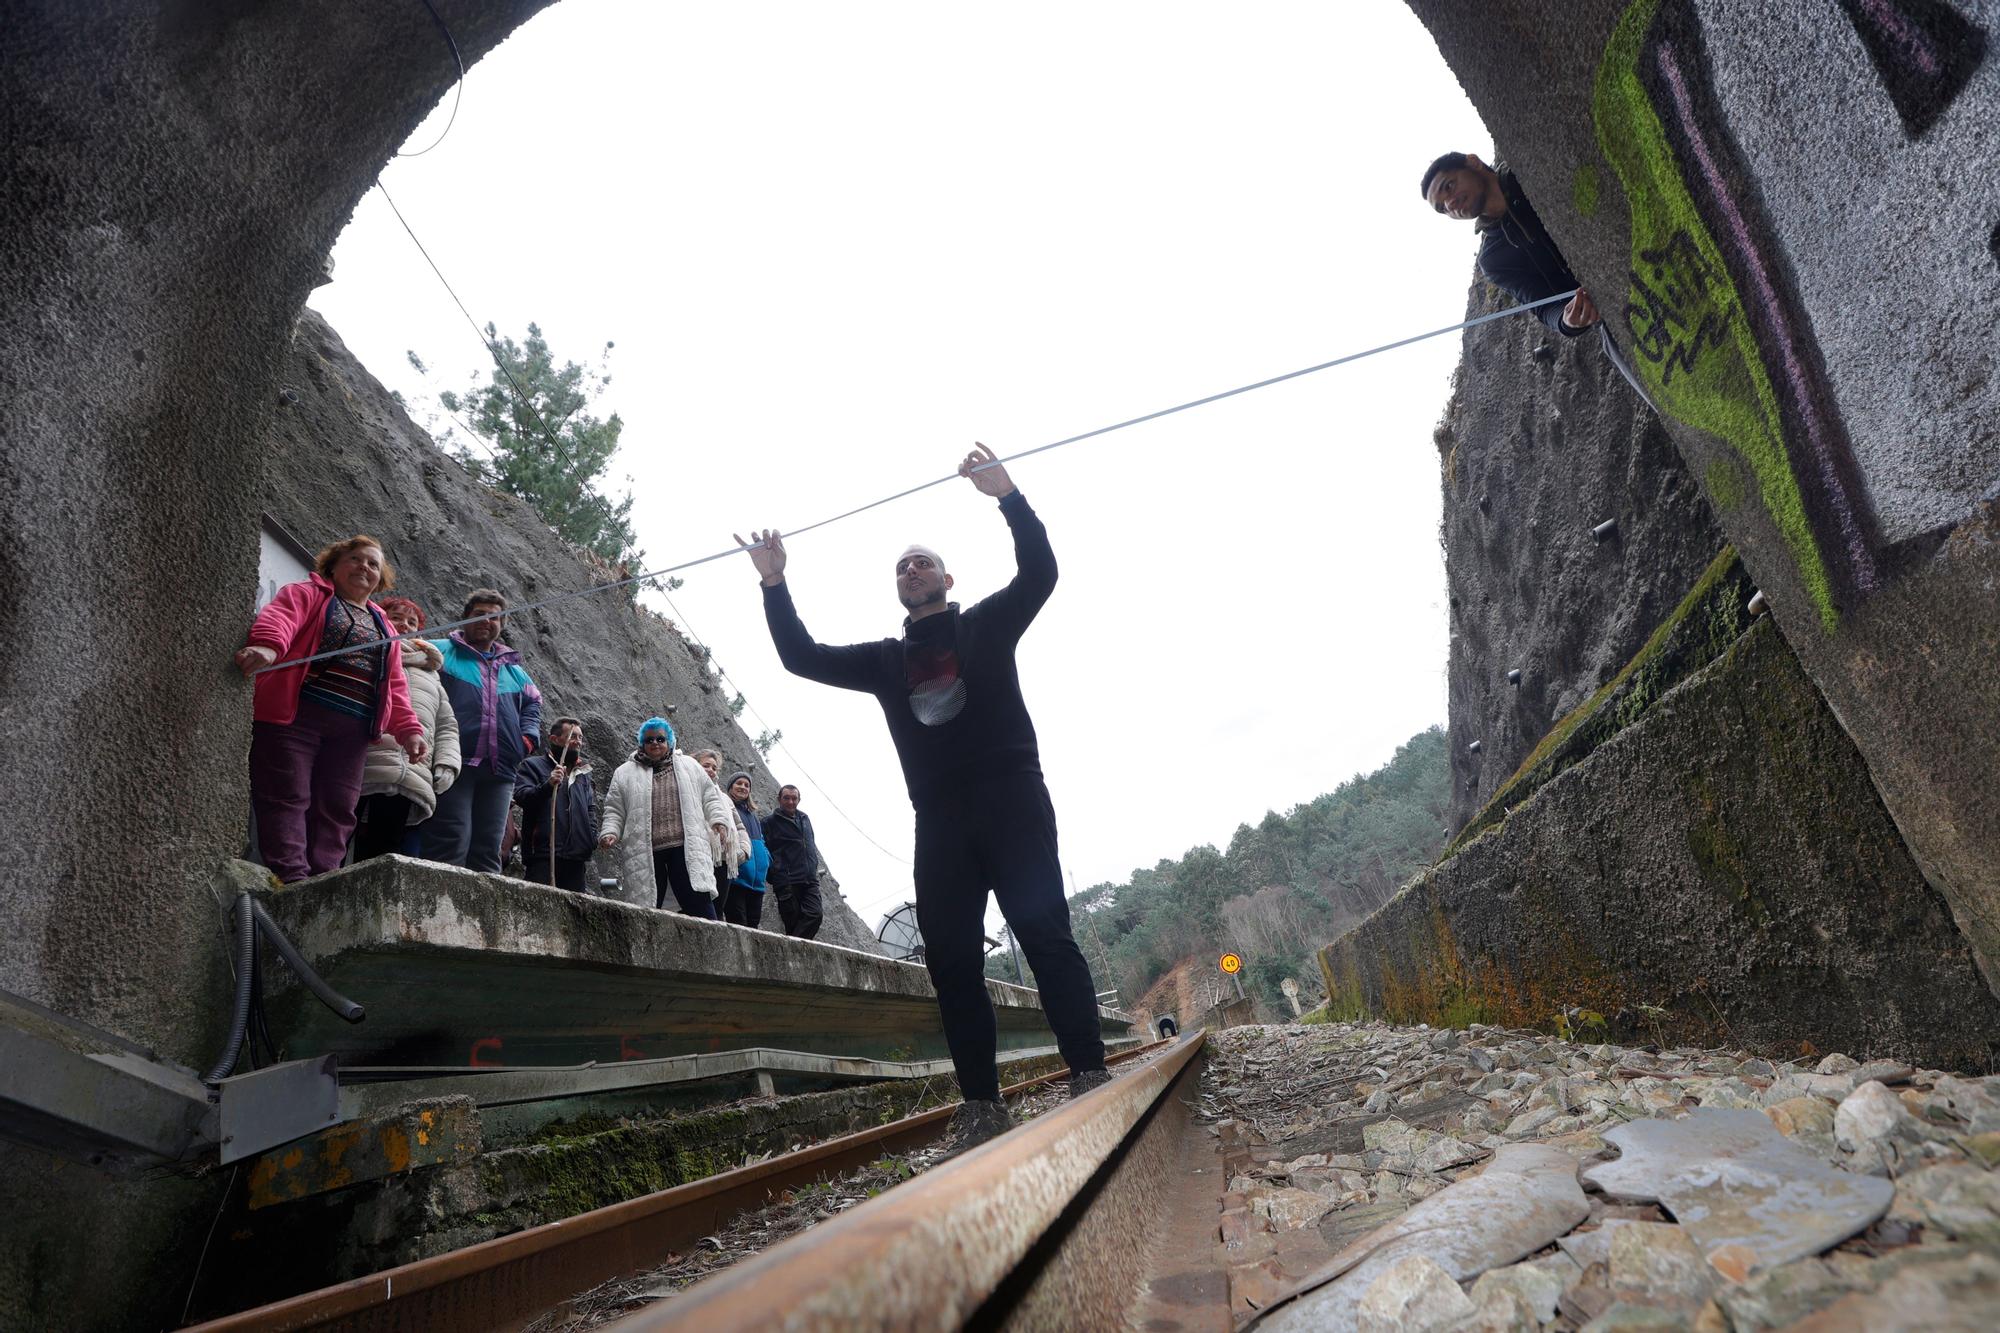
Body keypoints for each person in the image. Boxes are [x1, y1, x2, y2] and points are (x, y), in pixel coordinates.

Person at [736, 443, 1110, 1154]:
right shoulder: (885, 659)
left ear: (946, 577)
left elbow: (1042, 572)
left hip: (1012, 798)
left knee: (1045, 933)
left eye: (922, 561)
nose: (911, 570)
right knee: (951, 960)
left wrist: (1008, 496)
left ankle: (1089, 1071)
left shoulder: (987, 625)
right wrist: (775, 584)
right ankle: (981, 1105)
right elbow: (801, 656)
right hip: (939, 819)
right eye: (901, 567)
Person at [235, 535, 428, 883]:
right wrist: (267, 647)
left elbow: (394, 683)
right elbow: (281, 619)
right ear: (334, 566)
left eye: (372, 564)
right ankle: (291, 878)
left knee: (338, 808)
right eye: (355, 559)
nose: (364, 567)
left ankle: (325, 878)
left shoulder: (383, 623)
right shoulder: (308, 594)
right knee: (287, 796)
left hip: (352, 731)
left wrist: (409, 729)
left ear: (380, 577)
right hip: (294, 718)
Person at [1420, 151, 1654, 406]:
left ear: (1473, 162)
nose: (1452, 205)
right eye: (1443, 208)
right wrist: (1567, 320)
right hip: (1609, 315)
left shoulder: (1529, 166)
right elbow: (1542, 305)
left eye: (1449, 186)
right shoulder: (1493, 259)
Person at [421, 589, 542, 872]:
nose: (487, 621)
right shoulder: (438, 652)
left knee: (491, 847)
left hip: (500, 770)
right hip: (453, 761)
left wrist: (526, 740)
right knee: (451, 839)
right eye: (479, 614)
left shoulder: (514, 670)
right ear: (465, 618)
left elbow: (534, 703)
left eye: (495, 617)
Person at [353, 596, 461, 861]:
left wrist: (447, 763)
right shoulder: (368, 650)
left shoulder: (431, 674)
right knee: (336, 835)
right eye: (396, 618)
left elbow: (446, 724)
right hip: (362, 762)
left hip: (410, 769)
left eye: (411, 622)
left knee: (386, 847)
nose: (404, 625)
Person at [598, 718, 731, 918]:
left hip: (686, 848)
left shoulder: (689, 766)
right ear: (642, 743)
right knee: (647, 909)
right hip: (646, 851)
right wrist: (610, 831)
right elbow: (615, 809)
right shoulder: (624, 772)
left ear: (669, 741)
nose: (655, 743)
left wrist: (718, 821)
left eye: (660, 738)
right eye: (649, 739)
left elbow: (709, 796)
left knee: (700, 905)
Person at [513, 716, 595, 892]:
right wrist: (548, 785)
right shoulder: (532, 766)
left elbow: (590, 810)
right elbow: (522, 796)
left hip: (576, 856)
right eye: (572, 737)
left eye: (580, 737)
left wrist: (591, 838)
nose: (578, 742)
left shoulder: (583, 773)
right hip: (543, 854)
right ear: (554, 739)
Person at [764, 784, 824, 940]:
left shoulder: (804, 819)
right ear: (779, 799)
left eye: (794, 798)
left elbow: (809, 845)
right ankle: (795, 952)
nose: (790, 802)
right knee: (792, 922)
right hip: (787, 881)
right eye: (786, 798)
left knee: (815, 914)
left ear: (799, 799)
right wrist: (775, 874)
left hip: (810, 878)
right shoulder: (769, 822)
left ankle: (791, 947)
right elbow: (763, 850)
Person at [692, 749, 751, 903]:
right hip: (701, 853)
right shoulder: (690, 789)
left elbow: (739, 827)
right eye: (706, 765)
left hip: (725, 858)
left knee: (718, 909)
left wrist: (744, 850)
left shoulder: (724, 798)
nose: (711, 770)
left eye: (714, 767)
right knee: (700, 904)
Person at [722, 772, 771, 928]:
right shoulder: (725, 807)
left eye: (746, 785)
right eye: (739, 783)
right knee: (738, 924)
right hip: (737, 878)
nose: (743, 787)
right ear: (730, 787)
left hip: (757, 882)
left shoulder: (752, 815)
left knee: (753, 926)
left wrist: (766, 859)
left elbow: (761, 841)